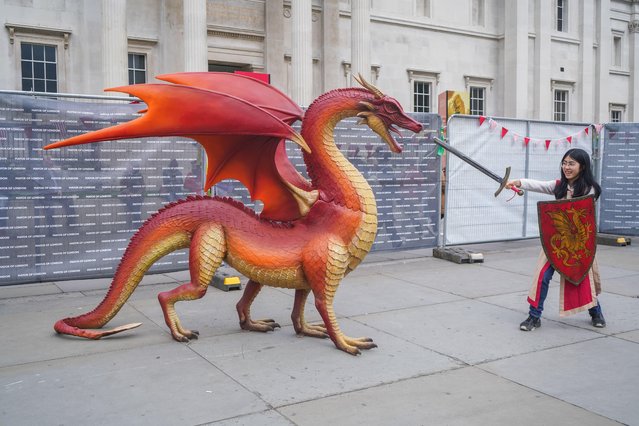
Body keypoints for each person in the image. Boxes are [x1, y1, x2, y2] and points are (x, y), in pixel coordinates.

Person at [506, 148, 606, 331]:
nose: (566, 167)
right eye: (565, 162)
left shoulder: (590, 189)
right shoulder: (559, 185)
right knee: (542, 277)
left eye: (571, 163)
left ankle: (596, 312)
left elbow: (581, 214)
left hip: (580, 243)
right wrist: (517, 182)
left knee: (581, 278)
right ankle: (534, 317)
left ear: (582, 167)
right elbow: (538, 185)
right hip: (557, 242)